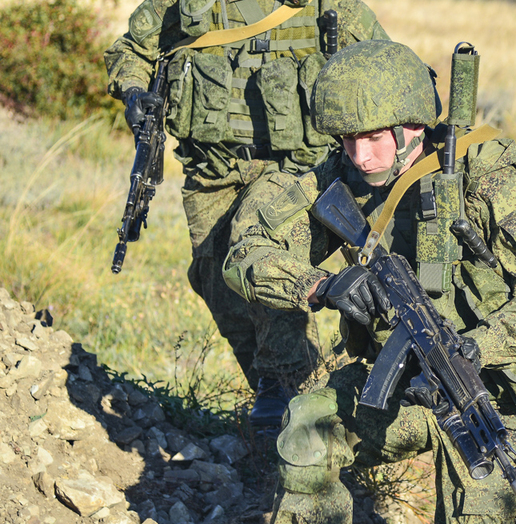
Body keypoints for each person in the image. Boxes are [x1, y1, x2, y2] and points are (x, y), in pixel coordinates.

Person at [222, 40, 516, 524]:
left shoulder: (489, 176)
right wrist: (322, 284)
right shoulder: (343, 174)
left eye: (374, 137)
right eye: (347, 139)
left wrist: (477, 347)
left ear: (413, 126)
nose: (359, 155)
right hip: (397, 385)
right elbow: (246, 247)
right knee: (306, 435)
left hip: (491, 391)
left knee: (483, 514)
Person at [103, 0, 389, 428]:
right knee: (213, 278)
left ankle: (286, 393)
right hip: (212, 169)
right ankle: (296, 395)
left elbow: (383, 65)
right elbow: (132, 50)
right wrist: (133, 90)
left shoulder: (326, 6)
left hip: (294, 170)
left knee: (259, 254)